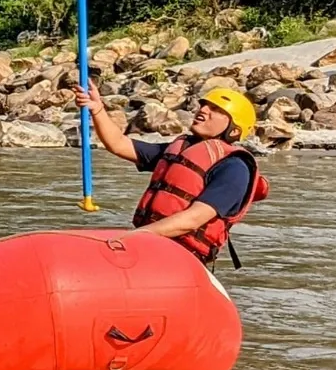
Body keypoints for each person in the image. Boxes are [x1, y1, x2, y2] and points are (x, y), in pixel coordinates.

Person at [75, 84, 269, 267]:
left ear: (234, 130)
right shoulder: (180, 149)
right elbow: (118, 144)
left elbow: (193, 219)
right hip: (151, 244)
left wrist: (135, 236)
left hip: (183, 256)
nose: (203, 110)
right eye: (204, 105)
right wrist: (97, 109)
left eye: (216, 110)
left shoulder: (235, 168)